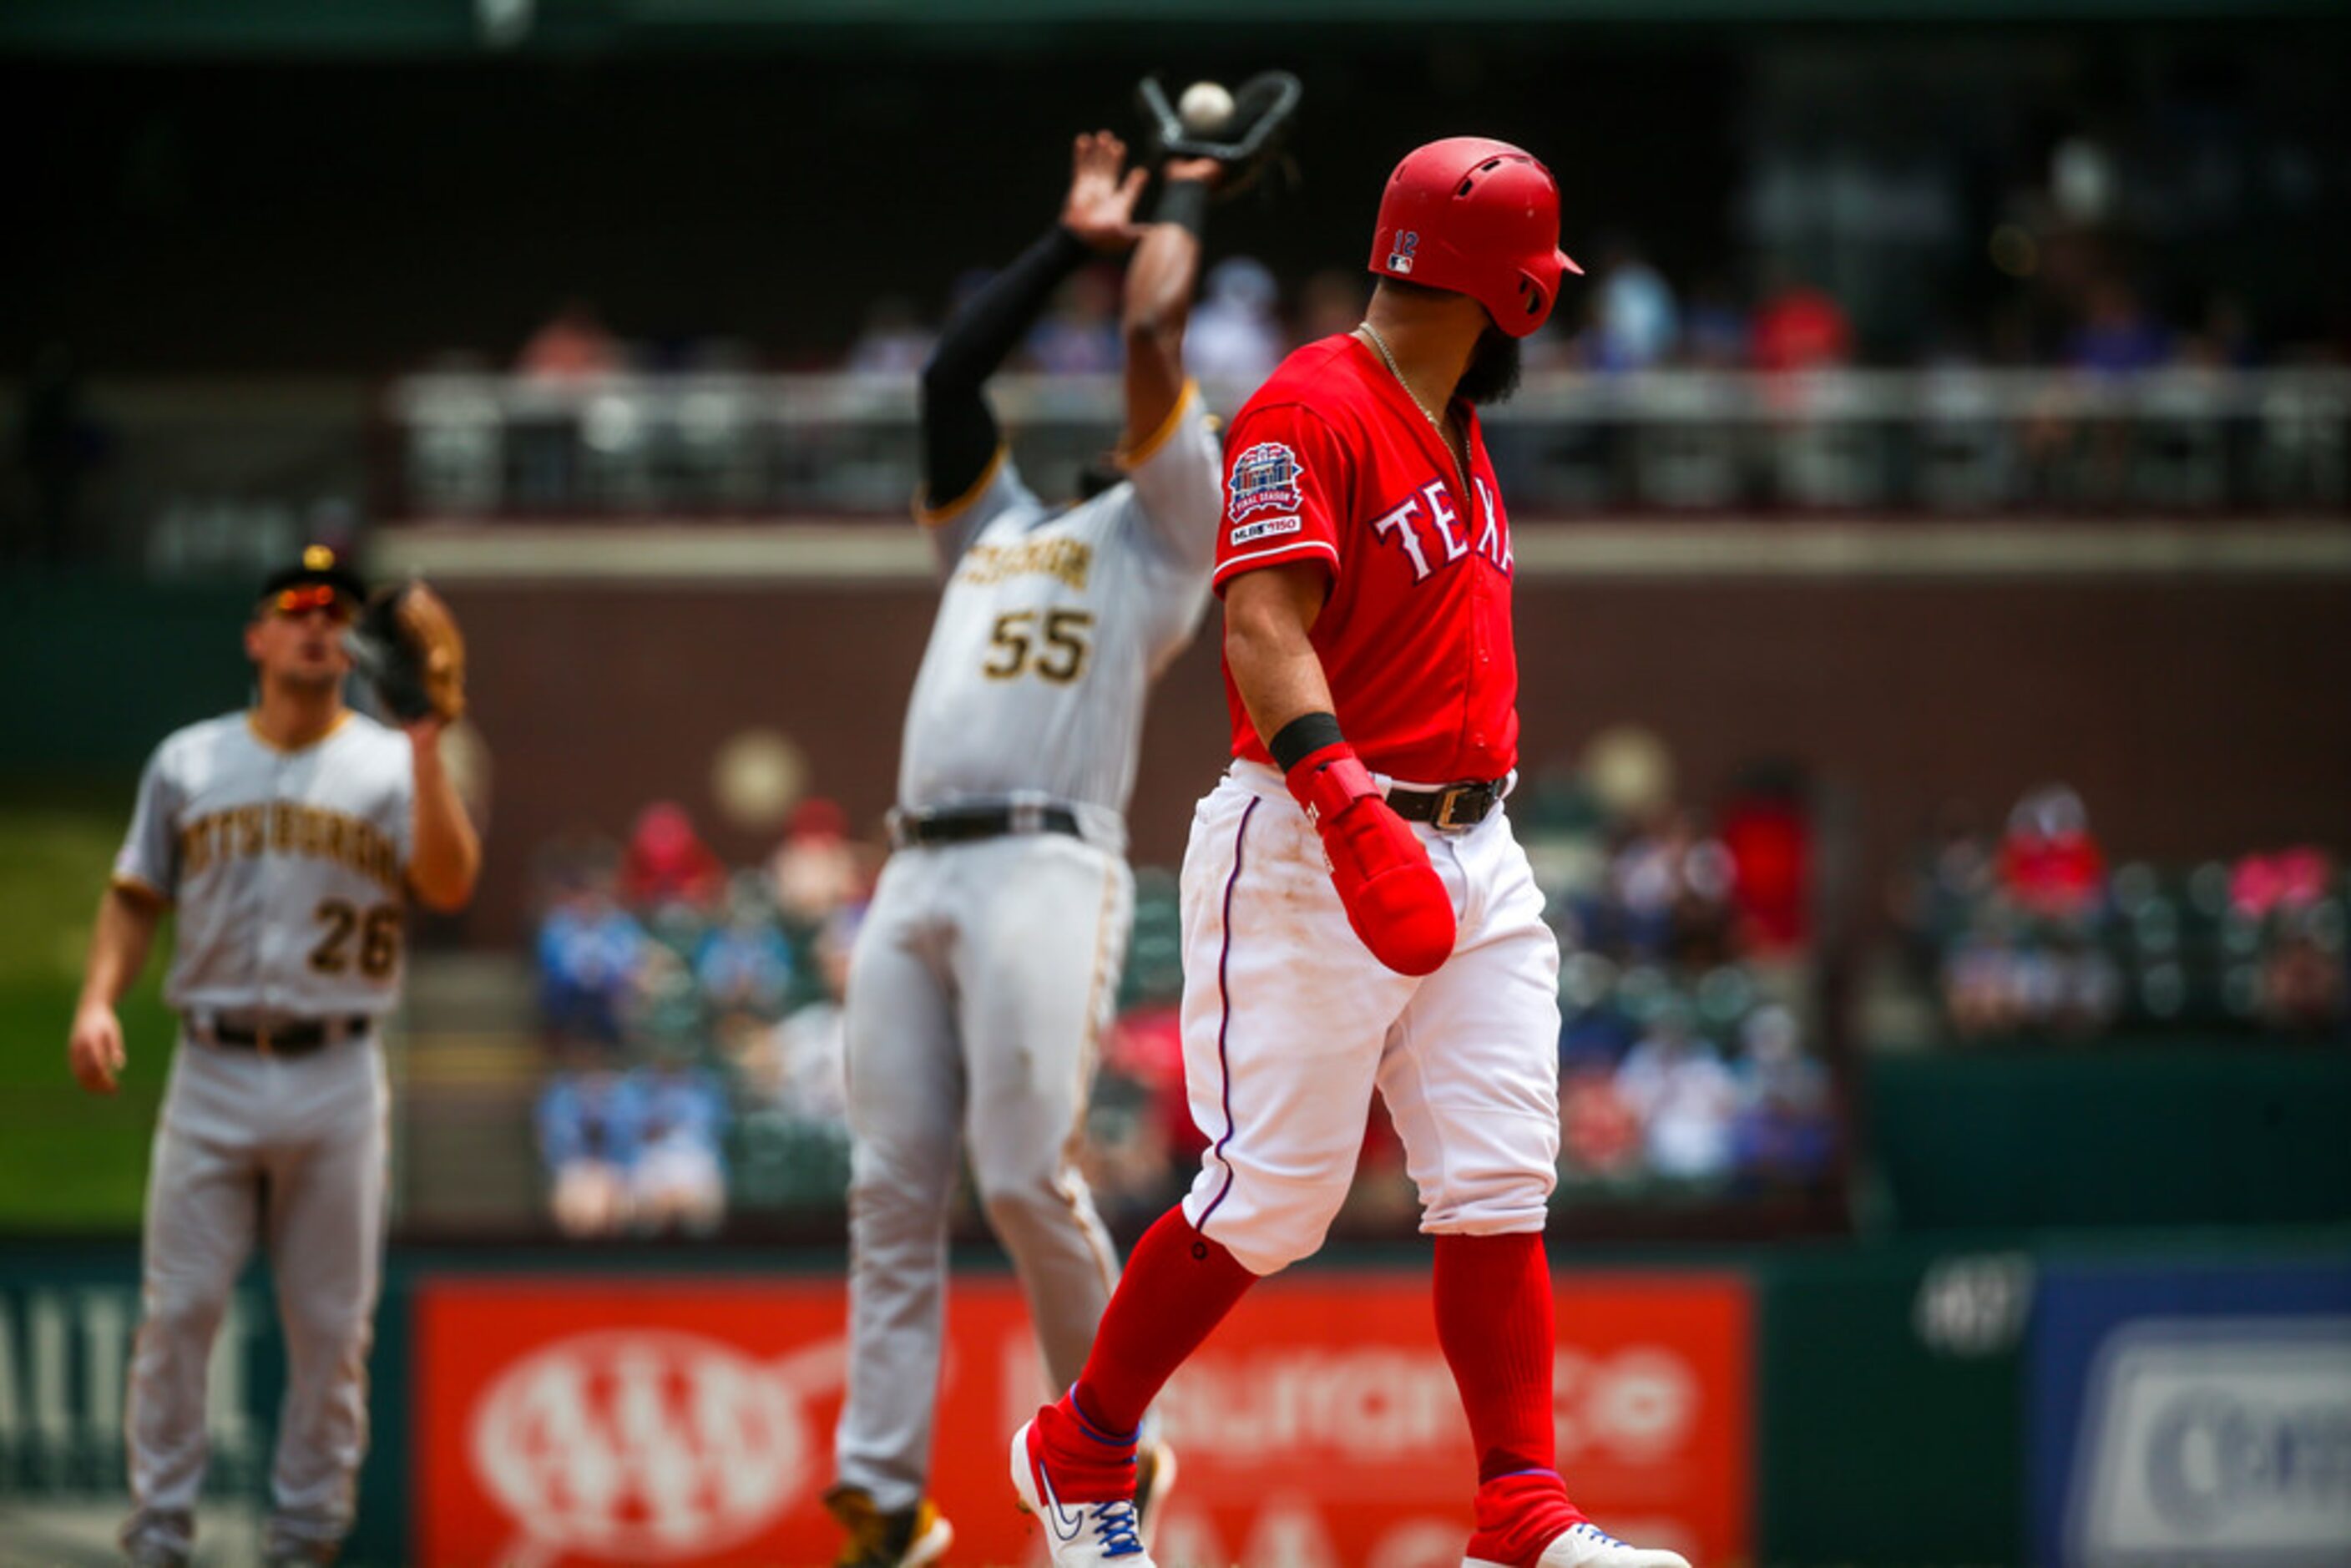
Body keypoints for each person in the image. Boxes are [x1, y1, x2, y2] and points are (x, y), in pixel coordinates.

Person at [1009, 138, 1691, 1568]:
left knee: (1501, 1176)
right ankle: (1080, 1443)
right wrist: (1347, 804)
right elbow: (1261, 625)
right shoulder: (1307, 407)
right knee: (1272, 1196)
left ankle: (1519, 1508)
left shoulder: (1450, 415)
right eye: (1537, 284)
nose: (1540, 309)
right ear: (1505, 287)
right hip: (1318, 833)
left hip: (1477, 839)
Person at [825, 129, 1226, 1568]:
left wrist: (1182, 200)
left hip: (1047, 863)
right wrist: (1068, 238)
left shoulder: (1169, 530)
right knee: (887, 1183)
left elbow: (1153, 339)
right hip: (916, 864)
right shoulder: (993, 529)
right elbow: (946, 378)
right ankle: (879, 1497)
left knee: (1016, 1175)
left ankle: (1103, 1454)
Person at [67, 546, 482, 1566]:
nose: (315, 623)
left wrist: (427, 746)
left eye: (334, 612)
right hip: (209, 1067)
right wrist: (96, 1001)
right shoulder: (189, 761)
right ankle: (159, 1537)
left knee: (332, 1334)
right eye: (294, 608)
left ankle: (304, 1543)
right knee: (179, 1316)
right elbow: (135, 894)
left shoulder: (392, 762)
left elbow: (450, 881)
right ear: (255, 637)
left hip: (338, 1069)